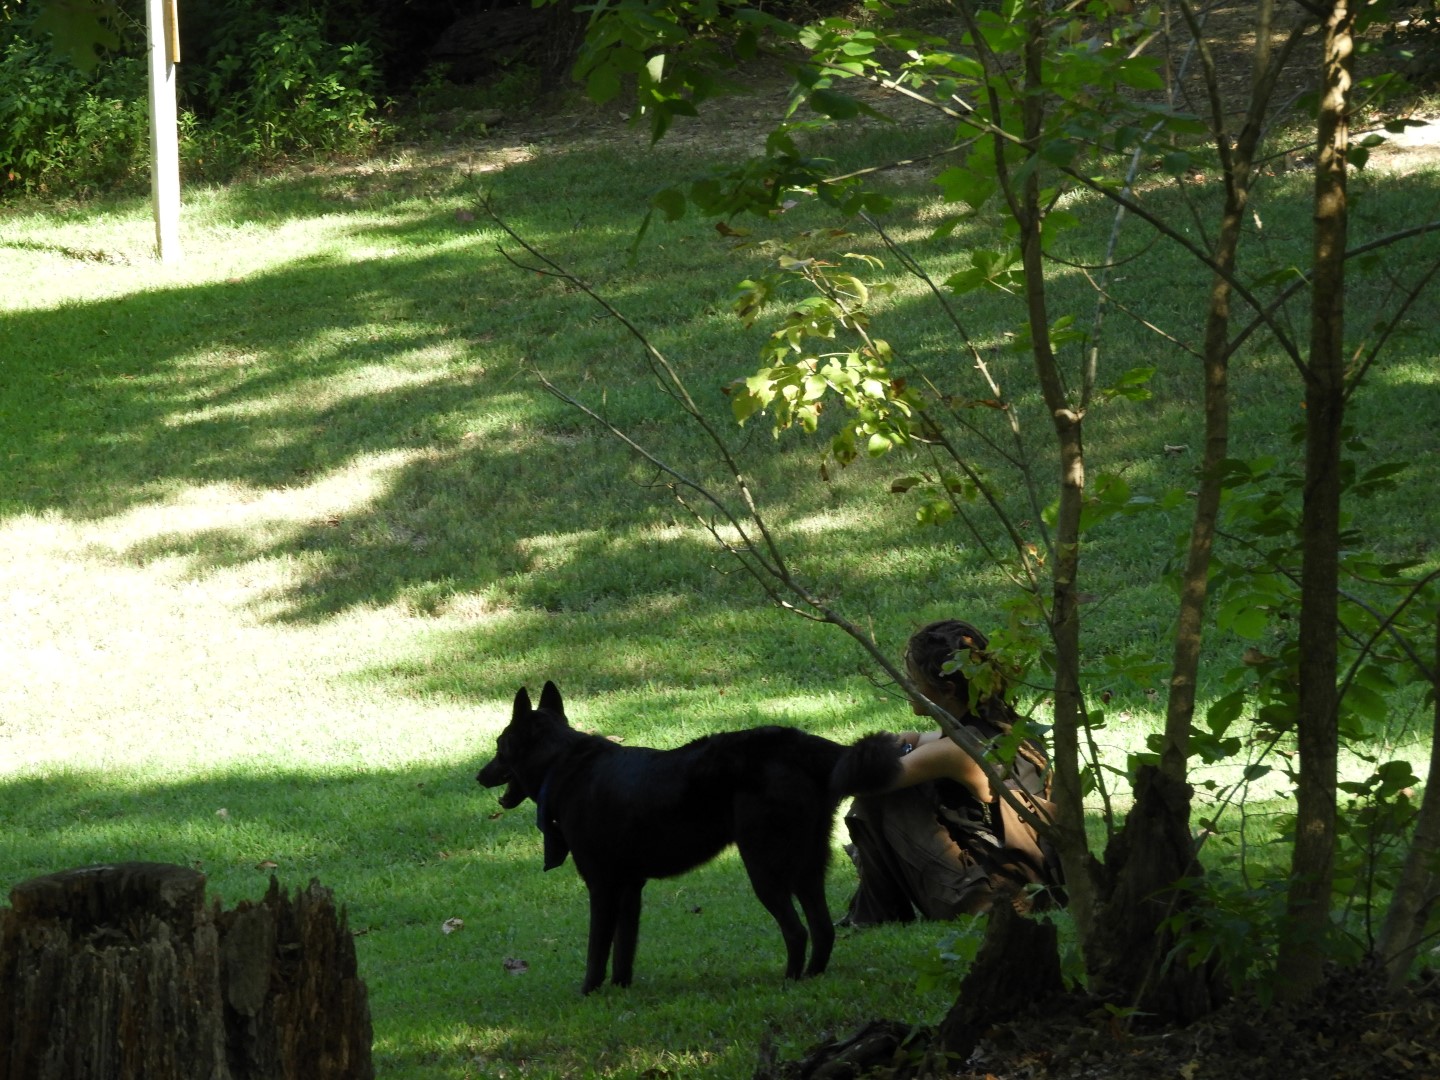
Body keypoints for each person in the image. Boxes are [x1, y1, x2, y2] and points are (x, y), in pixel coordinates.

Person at [841, 619, 1064, 925]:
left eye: (914, 678)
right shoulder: (1005, 730)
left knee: (879, 797)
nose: (907, 685)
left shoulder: (956, 751)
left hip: (994, 896)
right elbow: (914, 739)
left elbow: (862, 782)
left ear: (945, 689)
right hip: (1033, 886)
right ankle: (874, 912)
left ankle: (876, 914)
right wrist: (904, 745)